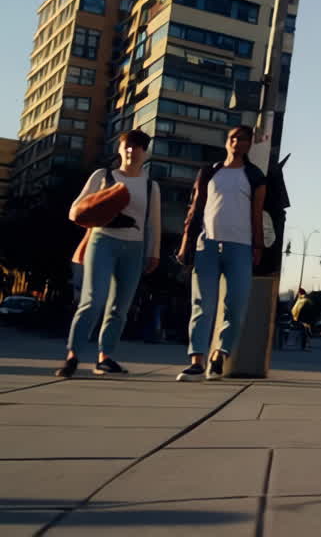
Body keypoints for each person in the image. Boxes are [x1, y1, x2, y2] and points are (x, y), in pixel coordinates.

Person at [56, 130, 161, 378]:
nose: (131, 150)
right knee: (93, 300)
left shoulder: (151, 186)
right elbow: (75, 210)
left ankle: (105, 357)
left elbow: (153, 223)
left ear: (145, 153)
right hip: (103, 241)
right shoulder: (103, 176)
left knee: (120, 307)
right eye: (126, 146)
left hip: (134, 248)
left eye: (137, 147)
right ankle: (73, 356)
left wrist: (153, 253)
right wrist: (103, 215)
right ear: (119, 149)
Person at [176, 125, 266, 381]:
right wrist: (186, 242)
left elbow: (257, 214)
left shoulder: (254, 176)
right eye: (233, 138)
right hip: (207, 246)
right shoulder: (210, 172)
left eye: (243, 139)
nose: (237, 142)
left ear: (249, 145)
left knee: (235, 306)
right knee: (202, 304)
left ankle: (219, 355)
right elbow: (195, 209)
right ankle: (197, 361)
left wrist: (258, 247)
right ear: (227, 142)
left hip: (241, 247)